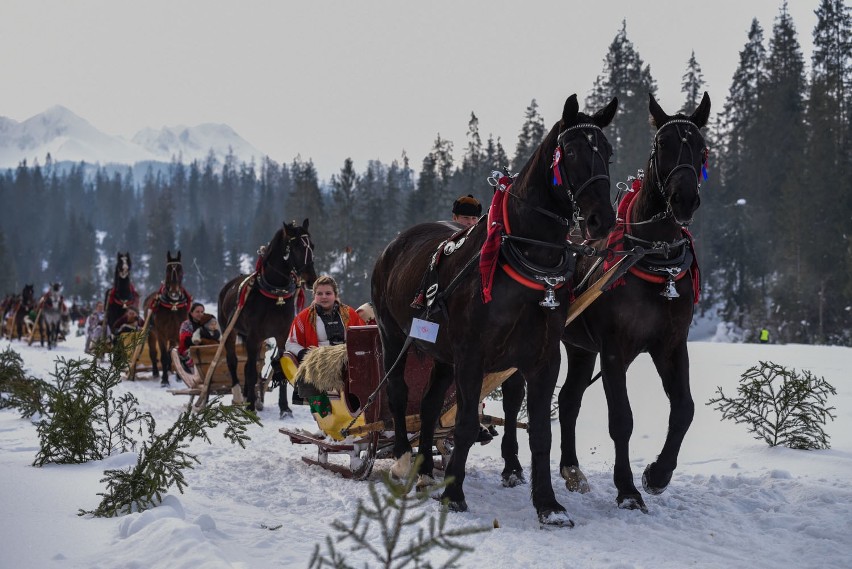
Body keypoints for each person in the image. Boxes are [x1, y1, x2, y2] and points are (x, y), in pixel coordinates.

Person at [285, 275, 365, 418]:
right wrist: (304, 353)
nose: (324, 297)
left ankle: (361, 407)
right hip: (321, 364)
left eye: (328, 293)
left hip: (348, 360)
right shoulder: (304, 317)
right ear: (314, 295)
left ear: (335, 294)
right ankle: (324, 411)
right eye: (319, 293)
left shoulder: (349, 313)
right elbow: (290, 343)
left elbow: (362, 335)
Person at [176, 302, 221, 388]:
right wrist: (203, 341)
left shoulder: (207, 323)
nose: (200, 314)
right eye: (197, 312)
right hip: (190, 350)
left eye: (202, 312)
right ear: (191, 313)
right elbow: (185, 341)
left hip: (208, 349)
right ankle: (200, 376)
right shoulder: (187, 324)